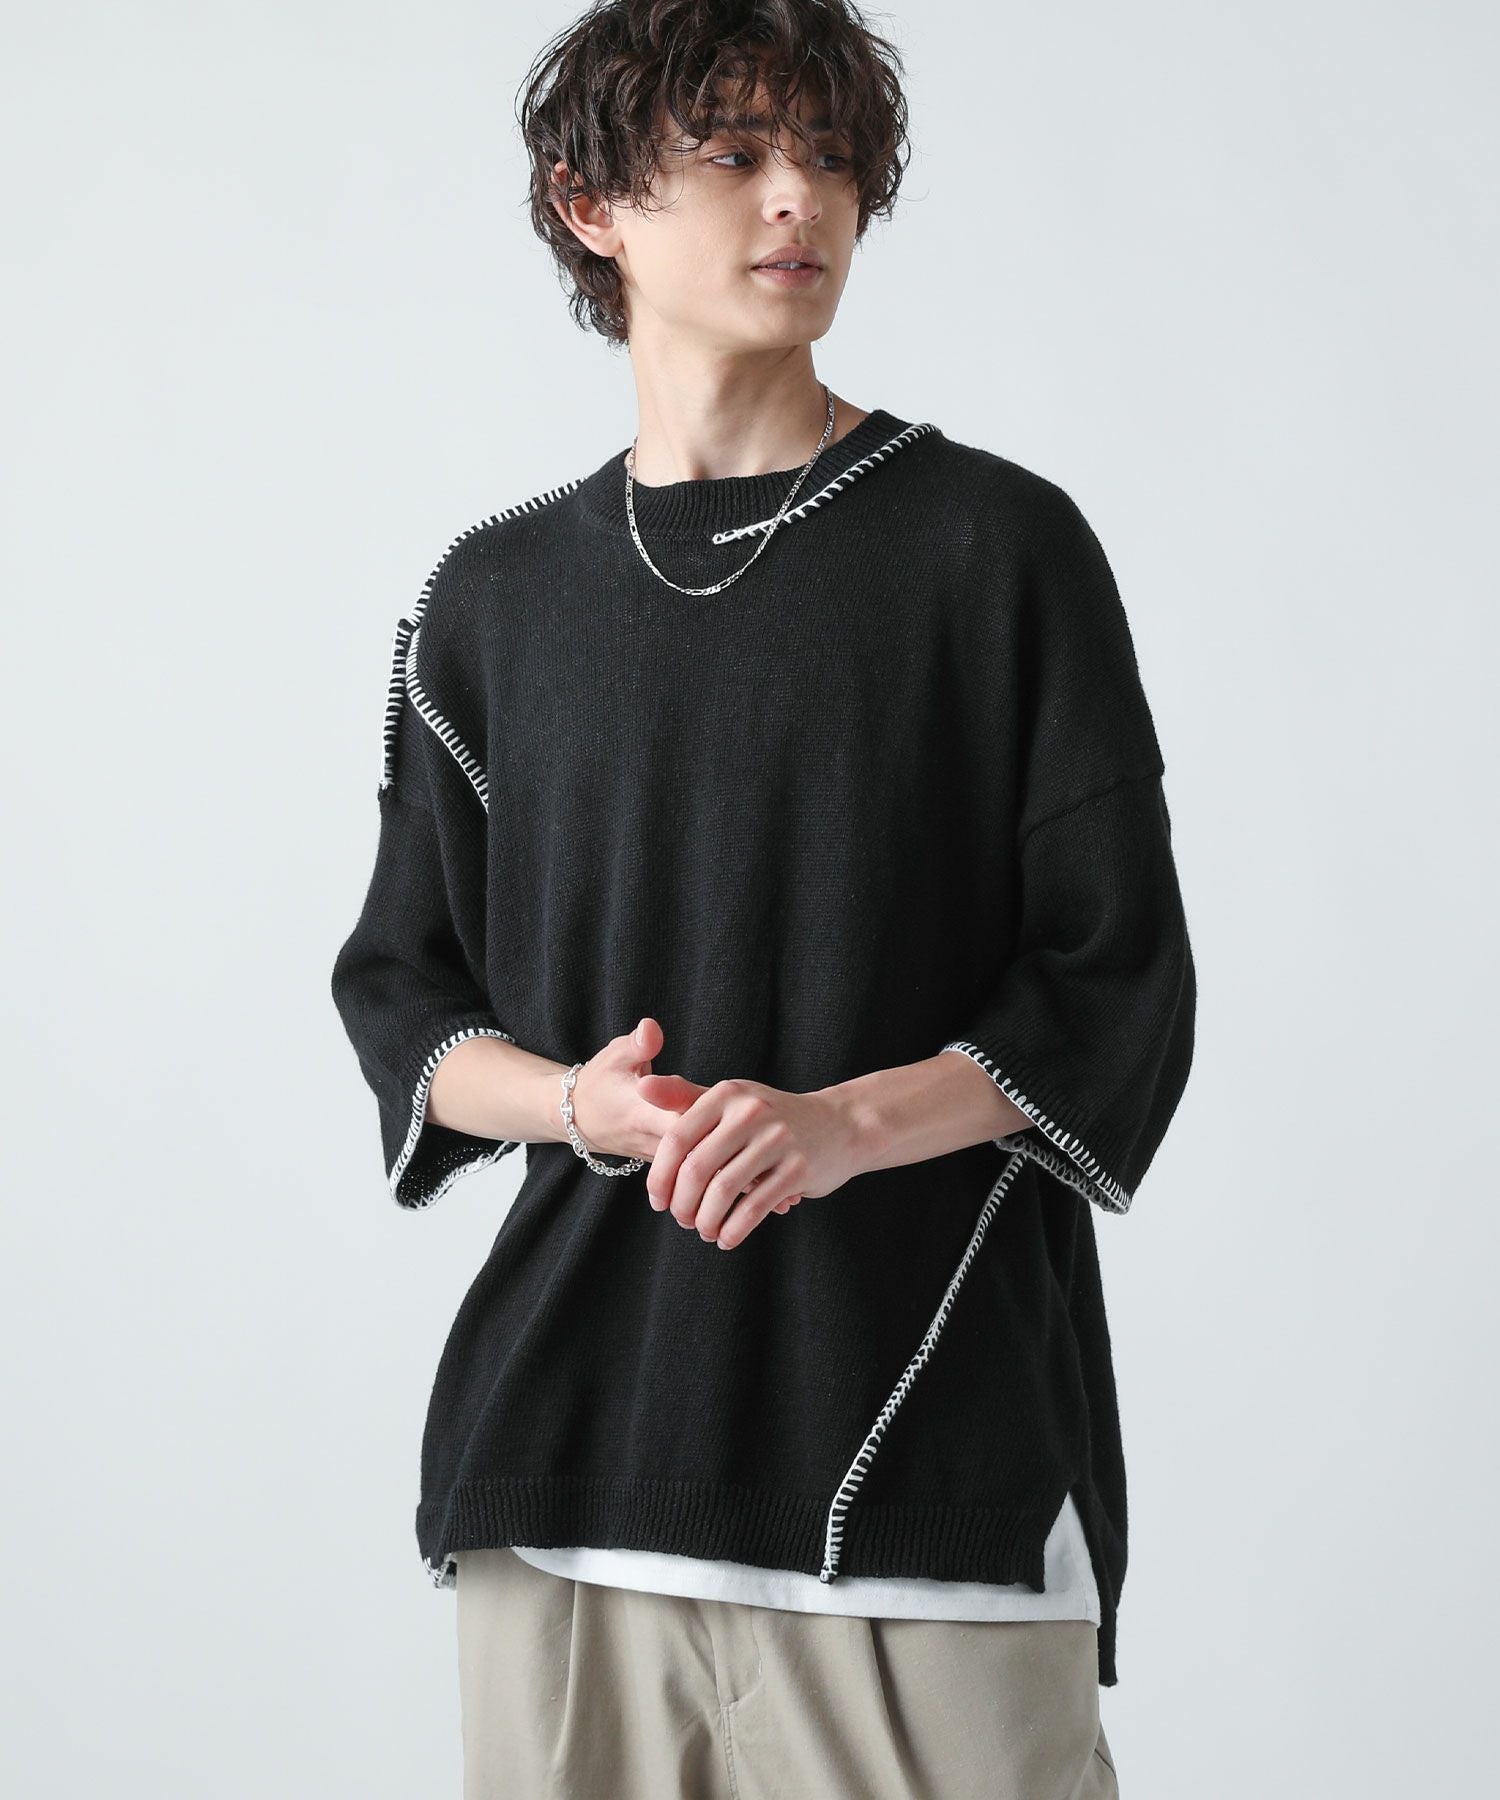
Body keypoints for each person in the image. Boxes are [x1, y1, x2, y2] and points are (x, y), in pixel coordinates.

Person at [330, 3, 1196, 1795]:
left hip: (922, 1474)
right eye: (733, 155)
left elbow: (1116, 983)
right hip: (568, 1479)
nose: (801, 199)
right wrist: (580, 1104)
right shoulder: (490, 605)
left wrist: (840, 1125)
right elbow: (406, 996)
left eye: (832, 158)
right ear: (589, 204)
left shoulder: (996, 550)